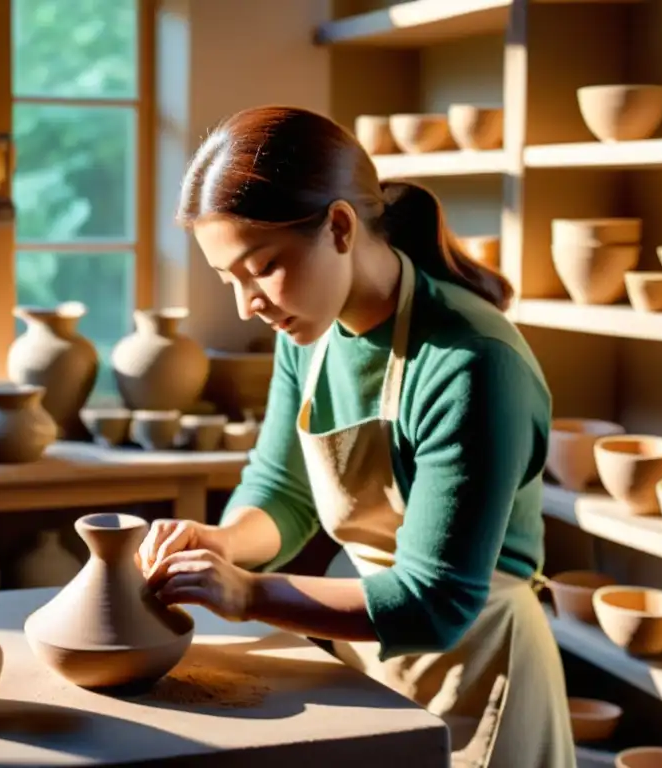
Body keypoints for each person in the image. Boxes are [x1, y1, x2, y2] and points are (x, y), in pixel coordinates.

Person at [138, 105, 577, 768]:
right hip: (367, 650)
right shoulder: (309, 328)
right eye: (230, 279)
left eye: (261, 267)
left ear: (339, 226)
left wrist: (250, 593)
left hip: (478, 662)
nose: (246, 304)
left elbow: (437, 602)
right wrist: (225, 544)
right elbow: (283, 491)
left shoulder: (469, 361)